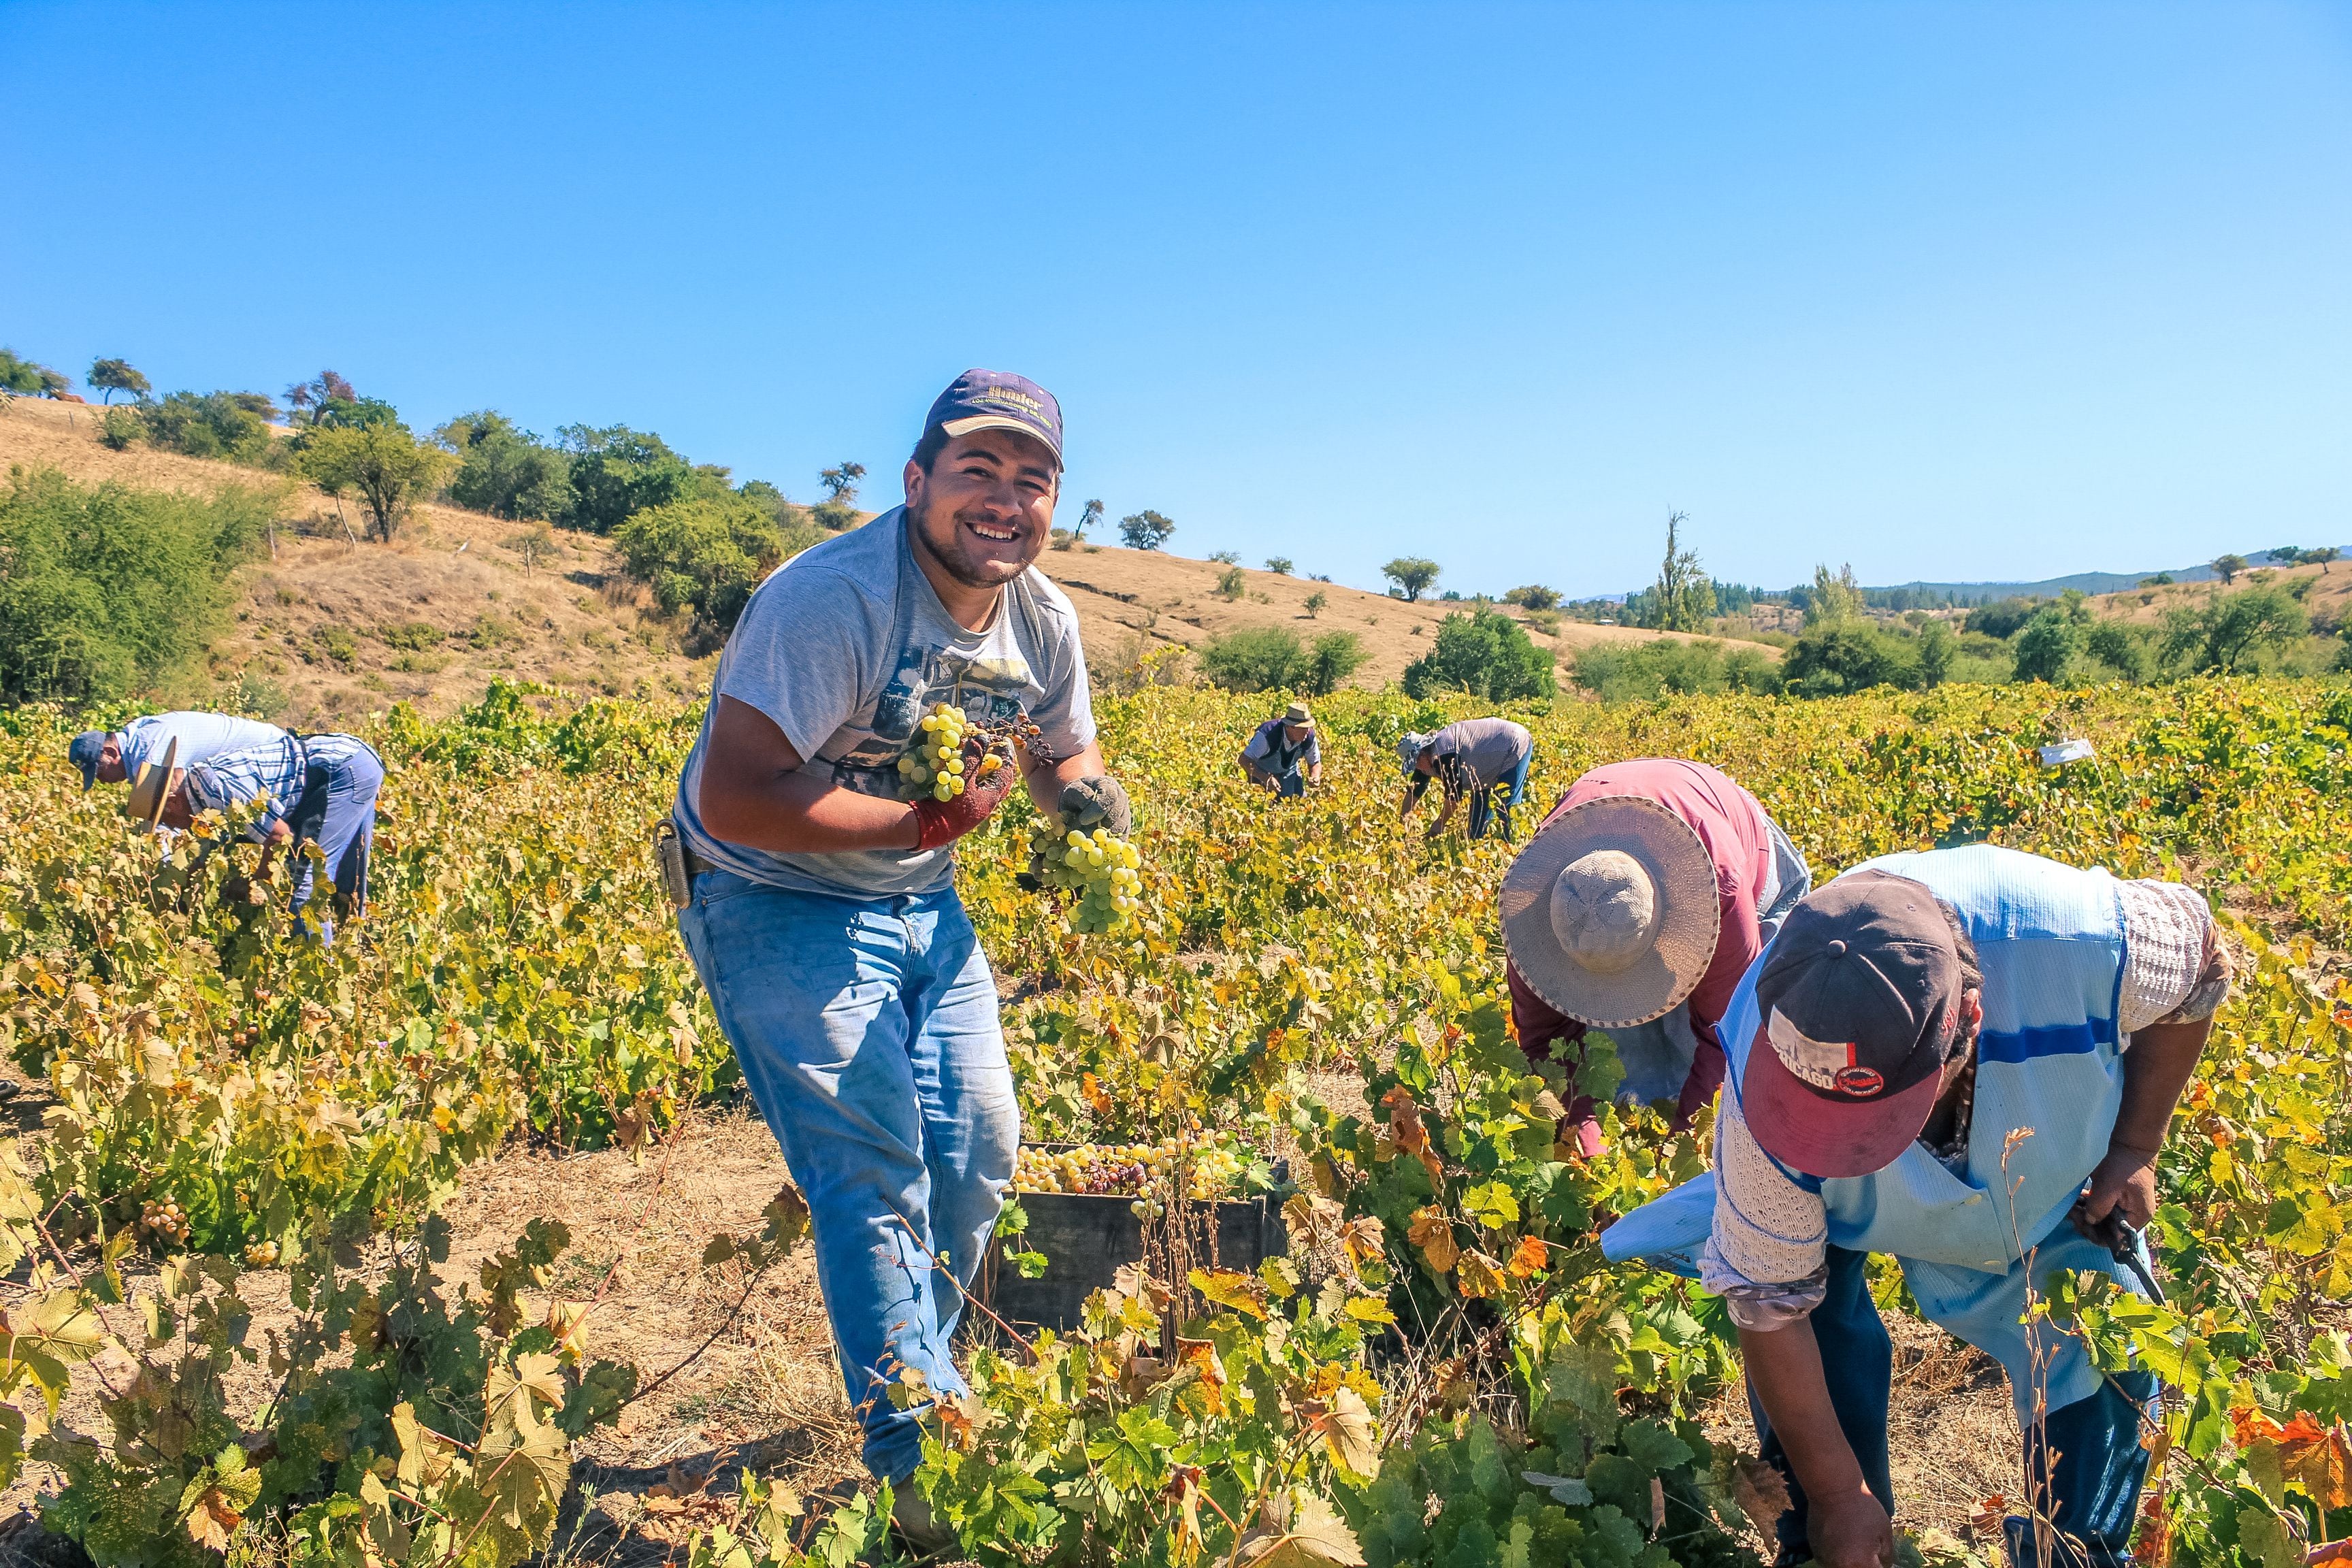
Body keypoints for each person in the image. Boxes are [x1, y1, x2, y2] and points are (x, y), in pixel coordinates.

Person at [667, 370, 1129, 1530]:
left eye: (1032, 481)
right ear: (917, 480)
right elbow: (736, 796)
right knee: (872, 1170)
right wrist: (929, 823)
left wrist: (1086, 803)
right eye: (977, 470)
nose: (1004, 500)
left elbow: (1058, 754)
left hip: (923, 898)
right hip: (769, 890)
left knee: (976, 1149)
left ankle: (920, 1368)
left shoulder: (1044, 620)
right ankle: (917, 1459)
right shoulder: (829, 601)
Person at [1600, 845, 2230, 1568]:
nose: (1849, 1146)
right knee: (1813, 1305)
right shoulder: (1760, 1074)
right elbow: (1770, 1302)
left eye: (1874, 1123)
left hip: (2047, 1170)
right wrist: (1839, 1497)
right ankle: (1824, 1544)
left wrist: (2135, 1146)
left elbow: (2202, 963)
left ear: (1969, 1023)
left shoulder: (2078, 942)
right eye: (1820, 1120)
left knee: (2104, 1332)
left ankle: (2077, 1550)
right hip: (1836, 1209)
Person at [1499, 758, 1811, 1154]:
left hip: (1746, 849)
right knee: (1618, 1043)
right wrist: (1586, 1143)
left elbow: (1729, 1037)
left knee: (1717, 1035)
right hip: (1628, 800)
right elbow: (1542, 1040)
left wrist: (1678, 1149)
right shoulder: (1534, 908)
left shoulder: (1720, 891)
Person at [154, 730, 385, 941]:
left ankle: (319, 967)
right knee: (349, 867)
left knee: (305, 875)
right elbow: (215, 845)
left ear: (173, 803)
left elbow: (280, 836)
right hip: (353, 760)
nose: (177, 829)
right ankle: (357, 940)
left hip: (340, 770)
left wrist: (257, 884)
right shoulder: (200, 787)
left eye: (167, 821)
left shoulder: (215, 791)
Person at [69, 710, 289, 791]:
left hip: (277, 758)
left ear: (111, 752)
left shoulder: (148, 750)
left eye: (99, 772)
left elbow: (170, 808)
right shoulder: (140, 736)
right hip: (261, 765)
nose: (101, 780)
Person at [1397, 717, 1532, 841]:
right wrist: (1404, 821)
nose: (1418, 769)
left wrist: (1440, 823)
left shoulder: (1445, 755)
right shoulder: (1426, 760)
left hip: (1513, 745)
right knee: (1476, 831)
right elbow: (1415, 790)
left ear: (1421, 754)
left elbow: (1454, 797)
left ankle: (1515, 850)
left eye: (1415, 764)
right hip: (1485, 763)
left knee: (1506, 809)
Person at [1238, 702, 1321, 796]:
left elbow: (1315, 762)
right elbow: (1244, 760)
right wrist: (1266, 778)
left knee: (1296, 800)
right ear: (1289, 727)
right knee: (1261, 803)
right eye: (1303, 728)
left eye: (1308, 727)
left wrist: (1315, 776)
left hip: (1289, 771)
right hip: (1260, 772)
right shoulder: (1267, 735)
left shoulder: (1309, 737)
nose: (1307, 731)